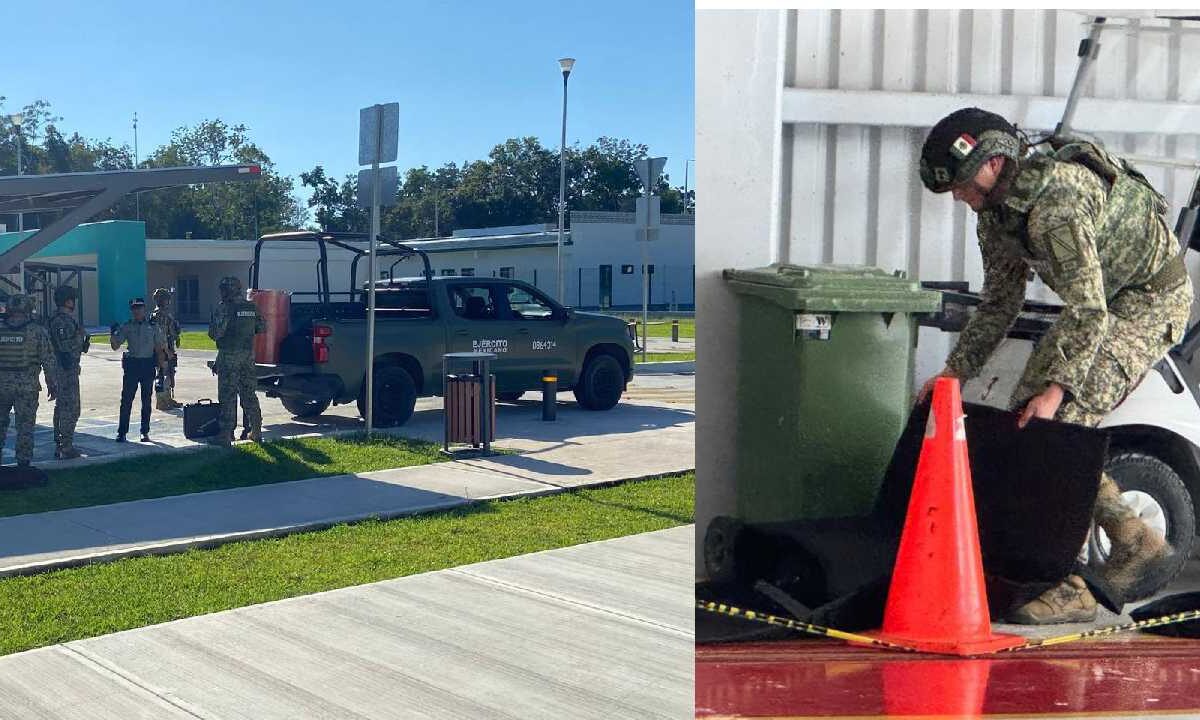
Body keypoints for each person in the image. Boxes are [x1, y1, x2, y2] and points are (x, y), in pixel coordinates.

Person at [916, 107, 1191, 624]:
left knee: (1058, 425)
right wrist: (954, 372)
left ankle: (1079, 585)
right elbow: (1000, 301)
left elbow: (1089, 310)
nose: (958, 196)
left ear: (995, 163)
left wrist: (1057, 389)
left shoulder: (1055, 207)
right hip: (1101, 302)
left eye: (962, 183)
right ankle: (1134, 537)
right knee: (1029, 422)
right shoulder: (996, 213)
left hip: (1147, 302)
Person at [0, 295, 58, 467]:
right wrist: (52, 383)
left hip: (1, 386)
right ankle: (23, 465)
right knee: (25, 426)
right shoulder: (37, 331)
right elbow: (48, 360)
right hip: (27, 387)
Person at [209, 276, 263, 445]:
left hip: (229, 356)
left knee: (228, 395)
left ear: (227, 290)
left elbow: (216, 333)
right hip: (247, 356)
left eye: (223, 289)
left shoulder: (225, 308)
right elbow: (261, 327)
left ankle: (225, 434)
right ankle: (256, 430)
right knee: (249, 393)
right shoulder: (251, 306)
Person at [111, 298, 166, 443]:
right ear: (131, 310)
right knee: (126, 401)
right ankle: (122, 432)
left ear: (144, 309)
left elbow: (159, 349)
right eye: (134, 308)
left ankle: (144, 432)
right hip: (132, 366)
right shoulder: (127, 326)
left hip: (147, 365)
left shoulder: (153, 326)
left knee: (146, 401)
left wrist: (161, 370)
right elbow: (115, 346)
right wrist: (113, 334)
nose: (137, 311)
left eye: (139, 308)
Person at [47, 286, 91, 459]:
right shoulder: (61, 321)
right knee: (70, 408)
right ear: (67, 301)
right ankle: (65, 446)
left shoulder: (61, 319)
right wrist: (80, 335)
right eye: (72, 299)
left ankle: (61, 444)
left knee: (63, 407)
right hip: (64, 370)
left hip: (68, 368)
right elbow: (65, 346)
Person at [151, 287, 183, 411]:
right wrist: (166, 351)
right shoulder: (159, 315)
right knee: (162, 375)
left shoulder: (165, 314)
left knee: (169, 374)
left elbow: (172, 331)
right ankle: (161, 402)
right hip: (162, 350)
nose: (168, 301)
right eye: (166, 299)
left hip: (168, 348)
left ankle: (168, 399)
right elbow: (160, 336)